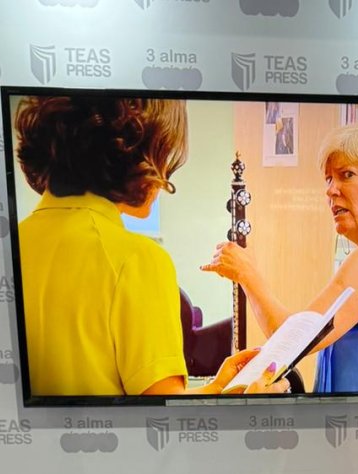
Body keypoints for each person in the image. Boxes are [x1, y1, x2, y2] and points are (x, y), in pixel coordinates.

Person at [14, 95, 279, 398]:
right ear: (136, 152)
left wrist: (216, 389)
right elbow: (165, 415)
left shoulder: (10, 246)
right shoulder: (136, 260)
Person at [202, 122, 358, 393]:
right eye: (328, 179)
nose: (331, 190)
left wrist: (246, 273)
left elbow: (289, 343)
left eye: (347, 175)